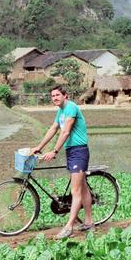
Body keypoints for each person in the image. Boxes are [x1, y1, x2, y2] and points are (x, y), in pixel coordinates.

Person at [30, 85, 93, 239]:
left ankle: (69, 227)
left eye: (57, 95)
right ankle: (89, 222)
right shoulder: (60, 112)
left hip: (79, 151)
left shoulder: (71, 107)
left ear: (66, 96)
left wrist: (54, 151)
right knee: (82, 188)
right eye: (52, 96)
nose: (55, 98)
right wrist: (39, 147)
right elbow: (53, 129)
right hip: (71, 151)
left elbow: (66, 131)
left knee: (75, 191)